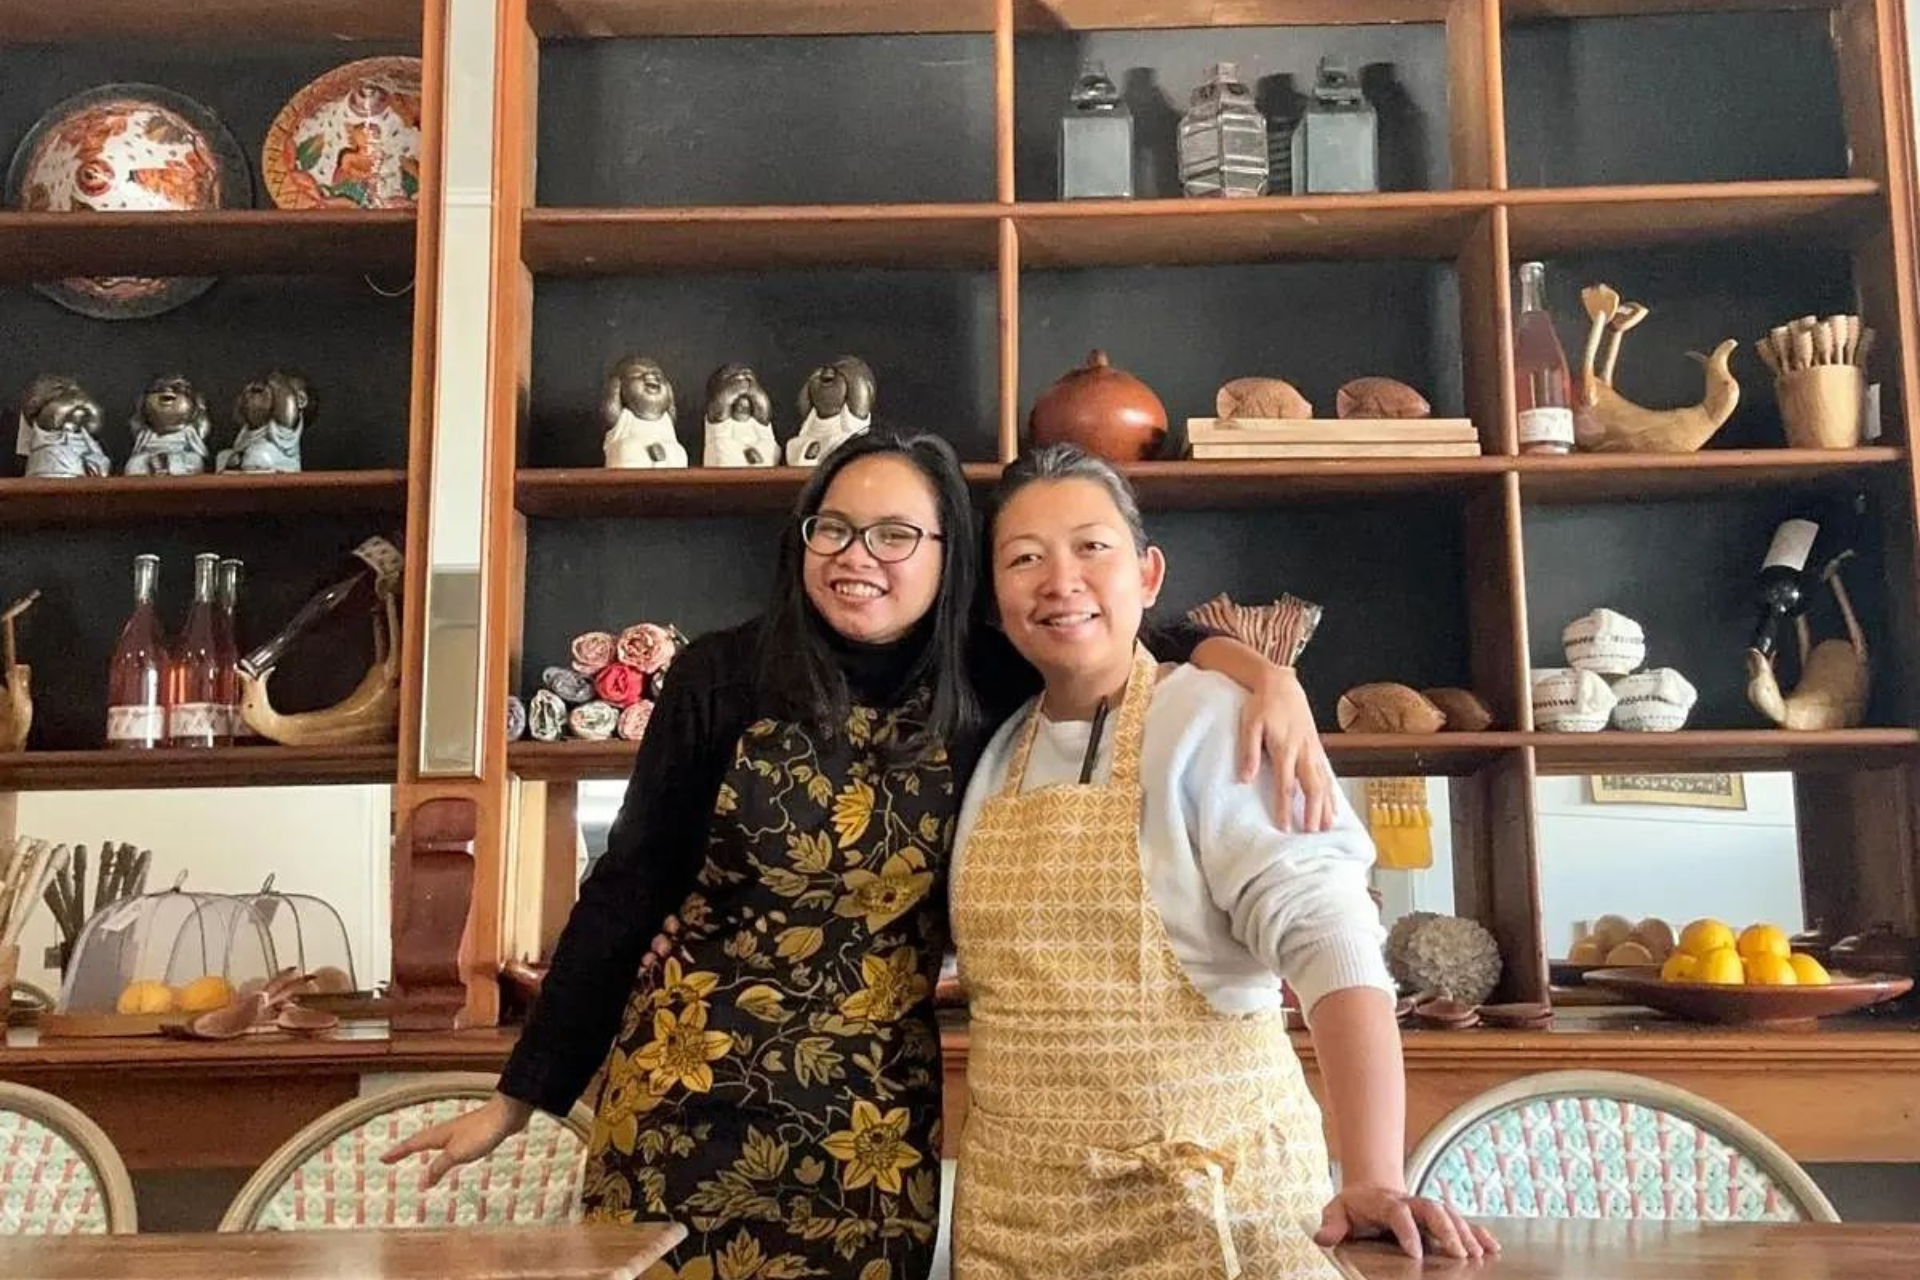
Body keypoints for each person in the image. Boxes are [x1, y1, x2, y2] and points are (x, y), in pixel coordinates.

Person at [383, 431, 1332, 1279]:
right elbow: (629, 888)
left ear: (948, 557)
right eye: (831, 530)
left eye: (893, 535)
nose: (856, 558)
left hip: (871, 1117)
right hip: (687, 1094)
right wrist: (523, 1095)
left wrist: (1264, 672)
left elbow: (1137, 630)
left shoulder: (988, 673)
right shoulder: (721, 673)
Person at [950, 444, 1498, 1278]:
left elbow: (1334, 946)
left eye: (1092, 547)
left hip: (1209, 1219)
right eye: (1024, 558)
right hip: (1018, 1227)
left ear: (1149, 573)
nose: (1059, 579)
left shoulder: (1214, 719)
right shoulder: (994, 751)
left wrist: (1374, 1174)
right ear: (995, 597)